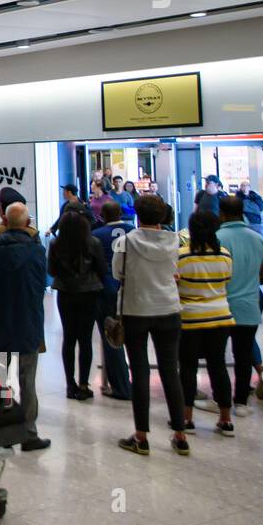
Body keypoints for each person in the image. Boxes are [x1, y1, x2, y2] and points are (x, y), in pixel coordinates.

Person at [113, 194, 188, 456]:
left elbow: (117, 273)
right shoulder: (174, 241)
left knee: (140, 371)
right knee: (170, 370)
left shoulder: (126, 242)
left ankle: (141, 436)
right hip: (168, 308)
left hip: (137, 310)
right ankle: (180, 434)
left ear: (137, 214)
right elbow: (174, 270)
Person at [0, 202, 51, 452]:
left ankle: (2, 431)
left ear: (5, 221)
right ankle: (29, 433)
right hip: (28, 321)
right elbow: (42, 282)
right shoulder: (37, 250)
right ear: (27, 223)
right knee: (27, 381)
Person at [176, 209, 236, 437]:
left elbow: (176, 283)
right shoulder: (224, 254)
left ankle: (186, 417)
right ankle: (225, 418)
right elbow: (226, 280)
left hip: (189, 317)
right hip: (220, 316)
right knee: (218, 366)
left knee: (188, 367)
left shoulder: (181, 255)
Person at [216, 194, 263, 414]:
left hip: (220, 304)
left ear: (221, 214)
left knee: (217, 355)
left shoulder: (217, 237)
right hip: (250, 302)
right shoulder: (257, 238)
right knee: (244, 352)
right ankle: (241, 401)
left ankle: (220, 400)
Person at [47, 209, 106, 400]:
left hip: (66, 293)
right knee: (86, 339)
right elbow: (102, 269)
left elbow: (52, 270)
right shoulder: (93, 243)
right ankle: (83, 384)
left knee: (69, 338)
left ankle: (69, 384)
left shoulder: (56, 244)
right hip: (89, 293)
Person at [91, 201, 134, 400]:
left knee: (112, 337)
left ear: (102, 216)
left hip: (106, 289)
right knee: (135, 338)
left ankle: (120, 386)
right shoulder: (132, 231)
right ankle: (137, 382)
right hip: (132, 289)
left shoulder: (97, 235)